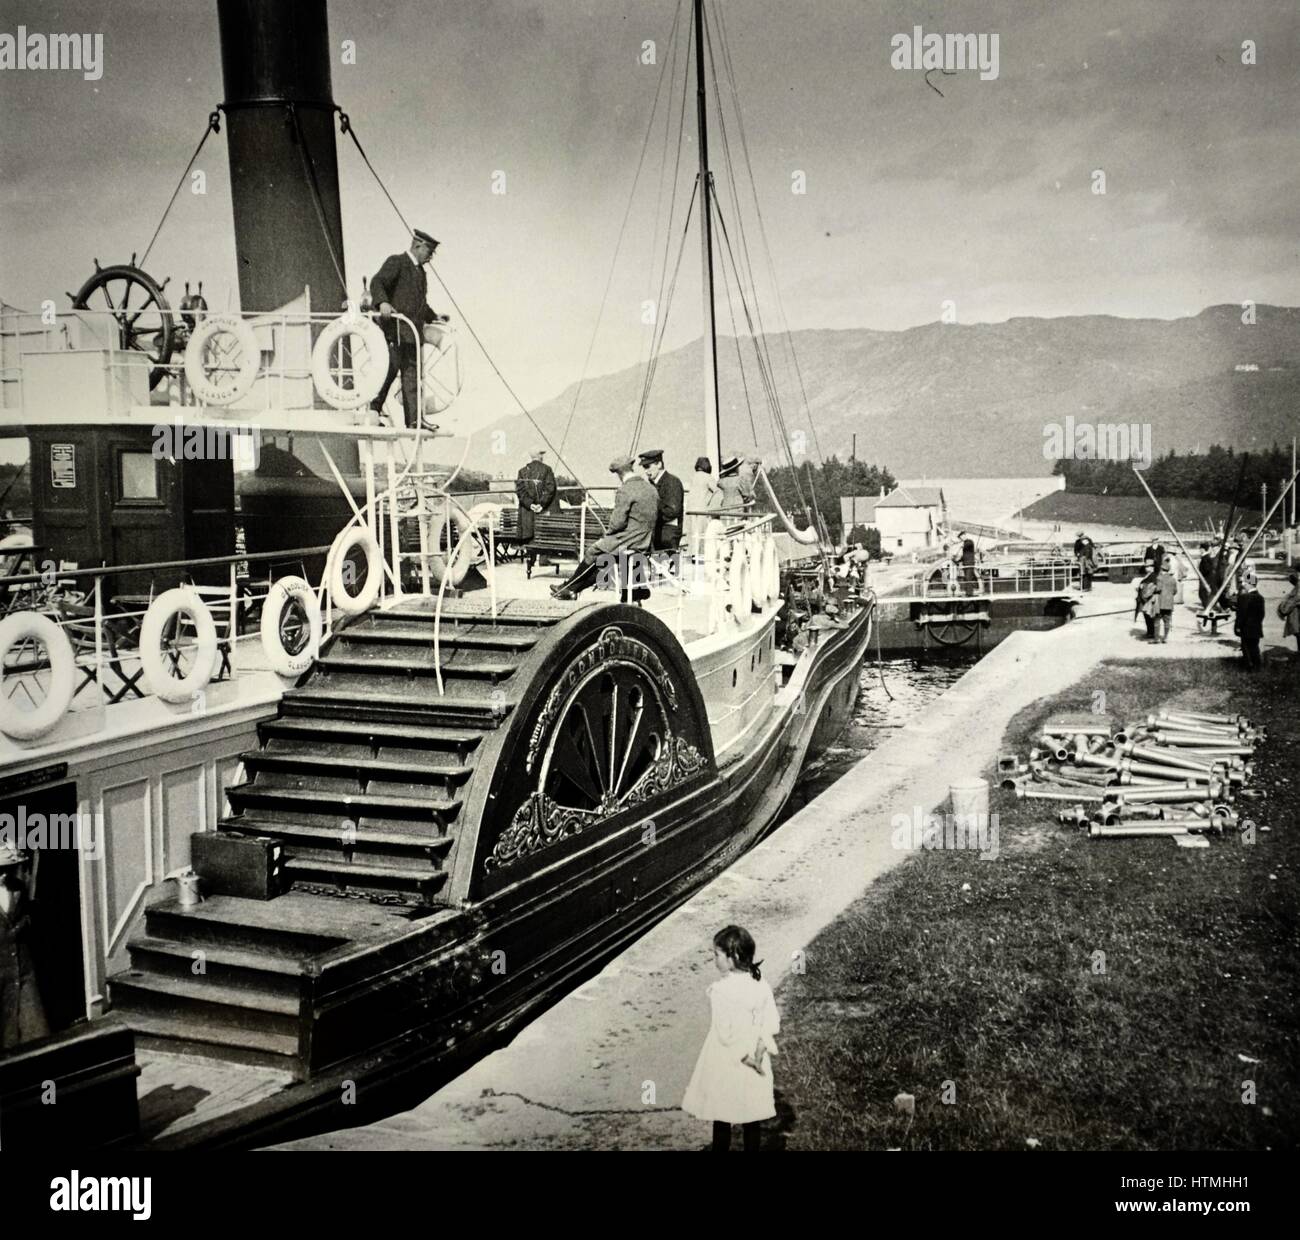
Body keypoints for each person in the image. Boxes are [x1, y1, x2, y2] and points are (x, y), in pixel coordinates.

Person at [681, 924, 779, 1153]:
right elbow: (770, 1021)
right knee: (751, 1116)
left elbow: (724, 1033)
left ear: (732, 958)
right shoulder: (760, 984)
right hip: (754, 1057)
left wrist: (743, 1057)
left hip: (727, 1060)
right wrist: (759, 1050)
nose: (714, 960)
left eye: (716, 955)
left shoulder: (721, 991)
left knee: (722, 1115)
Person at [369, 229, 450, 429]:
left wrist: (434, 317)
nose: (430, 257)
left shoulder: (421, 273)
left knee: (412, 377)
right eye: (429, 251)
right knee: (389, 370)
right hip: (395, 331)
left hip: (412, 334)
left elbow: (420, 303)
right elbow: (377, 282)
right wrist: (382, 303)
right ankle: (373, 410)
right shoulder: (397, 262)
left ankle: (414, 421)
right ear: (417, 245)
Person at [550, 454, 657, 601]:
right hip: (645, 540)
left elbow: (617, 523)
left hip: (628, 540)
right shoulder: (650, 488)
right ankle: (570, 589)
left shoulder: (625, 490)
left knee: (593, 552)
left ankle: (569, 588)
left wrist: (608, 533)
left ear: (620, 474)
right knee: (603, 561)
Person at [0, 845, 49, 1051]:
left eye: (8, 868)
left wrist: (24, 924)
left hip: (24, 971)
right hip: (2, 975)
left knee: (35, 1034)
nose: (4, 874)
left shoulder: (19, 888)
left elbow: (30, 918)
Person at [514, 449, 559, 562]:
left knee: (529, 531)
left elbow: (520, 492)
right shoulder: (547, 469)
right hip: (543, 511)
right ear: (540, 456)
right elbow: (550, 489)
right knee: (543, 532)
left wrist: (530, 505)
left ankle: (531, 560)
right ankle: (543, 560)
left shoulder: (522, 471)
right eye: (542, 454)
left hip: (527, 512)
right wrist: (541, 505)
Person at [638, 449, 684, 555]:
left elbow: (673, 511)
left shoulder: (672, 482)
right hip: (655, 534)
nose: (646, 471)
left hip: (667, 536)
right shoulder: (651, 484)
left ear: (659, 464)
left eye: (648, 467)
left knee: (667, 569)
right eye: (644, 468)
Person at [685, 456, 721, 556]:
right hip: (702, 510)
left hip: (690, 509)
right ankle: (700, 556)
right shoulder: (708, 477)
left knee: (692, 535)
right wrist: (712, 505)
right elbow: (717, 491)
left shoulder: (693, 477)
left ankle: (692, 555)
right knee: (701, 535)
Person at [1234, 568, 1265, 670]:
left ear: (1249, 584)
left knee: (1245, 647)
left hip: (1245, 628)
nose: (1243, 585)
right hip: (1256, 627)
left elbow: (1241, 614)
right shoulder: (1260, 597)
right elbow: (1262, 614)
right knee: (1255, 647)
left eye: (1244, 583)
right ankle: (1257, 666)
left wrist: (1238, 626)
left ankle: (1249, 667)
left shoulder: (1244, 597)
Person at [1277, 571, 1300, 658]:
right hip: (1297, 613)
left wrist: (1283, 610)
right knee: (1298, 632)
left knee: (1298, 632)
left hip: (1297, 614)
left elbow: (1295, 599)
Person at [1136, 564, 1160, 639]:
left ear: (1152, 568)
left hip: (1148, 600)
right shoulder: (1148, 575)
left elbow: (1152, 587)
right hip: (1144, 599)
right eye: (1146, 566)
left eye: (1148, 566)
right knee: (1147, 617)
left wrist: (1143, 586)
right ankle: (1149, 632)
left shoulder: (1153, 576)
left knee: (1149, 617)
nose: (1146, 568)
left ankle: (1151, 633)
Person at [1197, 542, 1215, 609]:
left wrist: (1201, 574)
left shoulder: (1205, 558)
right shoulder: (1207, 557)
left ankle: (1207, 607)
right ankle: (1207, 607)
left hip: (1205, 578)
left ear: (1203, 549)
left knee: (1202, 593)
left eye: (1200, 549)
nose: (1199, 550)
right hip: (1207, 578)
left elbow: (1206, 569)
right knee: (1203, 594)